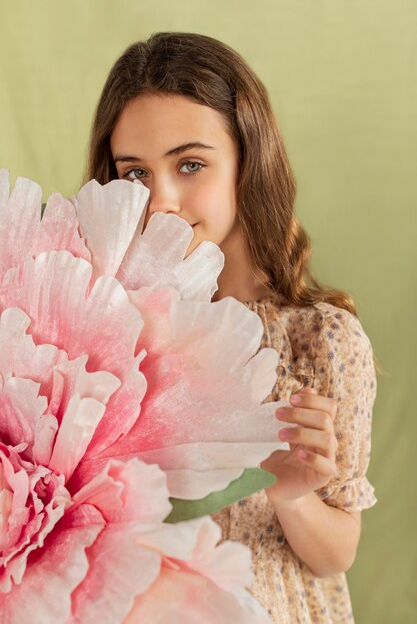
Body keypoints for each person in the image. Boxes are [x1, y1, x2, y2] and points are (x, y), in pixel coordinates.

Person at [84, 32, 377, 623]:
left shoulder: (320, 340)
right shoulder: (103, 330)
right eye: (135, 174)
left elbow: (335, 554)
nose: (161, 200)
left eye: (190, 164)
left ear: (249, 160)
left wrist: (289, 492)